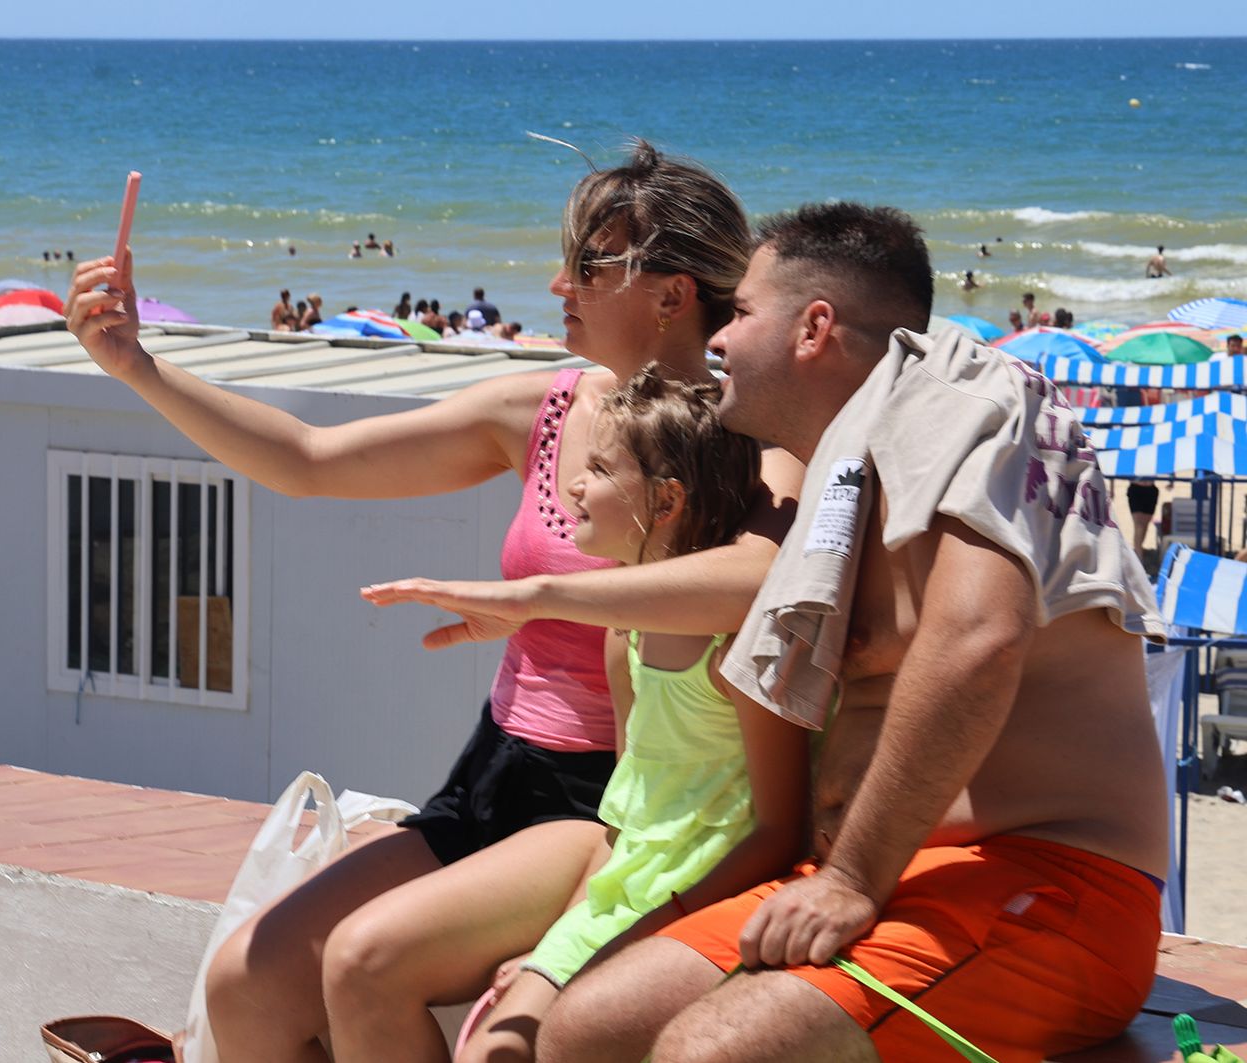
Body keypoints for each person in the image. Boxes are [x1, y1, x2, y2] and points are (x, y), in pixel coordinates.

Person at [64, 139, 801, 1063]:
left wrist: (537, 597)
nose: (555, 281)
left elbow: (767, 577)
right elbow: (308, 459)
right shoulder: (543, 407)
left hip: (611, 798)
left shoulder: (755, 440)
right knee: (244, 980)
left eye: (586, 264)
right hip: (495, 771)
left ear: (671, 293)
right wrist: (139, 367)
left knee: (366, 964)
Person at [536, 203, 1168, 1063]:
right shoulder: (849, 474)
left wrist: (849, 879)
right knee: (581, 1030)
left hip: (1045, 886)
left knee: (710, 1053)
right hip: (870, 879)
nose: (719, 336)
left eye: (743, 312)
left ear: (816, 326)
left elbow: (981, 639)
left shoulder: (974, 409)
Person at [455, 367, 810, 1063]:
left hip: (708, 893)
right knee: (489, 1047)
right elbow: (626, 819)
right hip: (628, 895)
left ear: (667, 498)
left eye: (598, 468)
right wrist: (559, 938)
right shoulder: (627, 634)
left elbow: (779, 829)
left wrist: (639, 933)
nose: (573, 486)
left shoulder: (732, 645)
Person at [1128, 480, 1159, 554]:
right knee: (1139, 525)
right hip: (1136, 488)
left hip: (1151, 489)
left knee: (1145, 525)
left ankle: (1138, 552)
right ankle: (1139, 557)